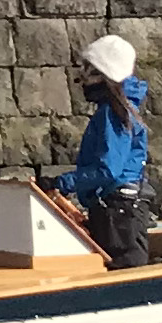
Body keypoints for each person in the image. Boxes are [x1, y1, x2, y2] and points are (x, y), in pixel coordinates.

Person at [56, 33, 152, 269]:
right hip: (120, 212)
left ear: (103, 75)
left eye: (88, 73)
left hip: (119, 215)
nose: (82, 81)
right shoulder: (118, 110)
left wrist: (62, 182)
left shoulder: (113, 114)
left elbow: (108, 170)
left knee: (124, 270)